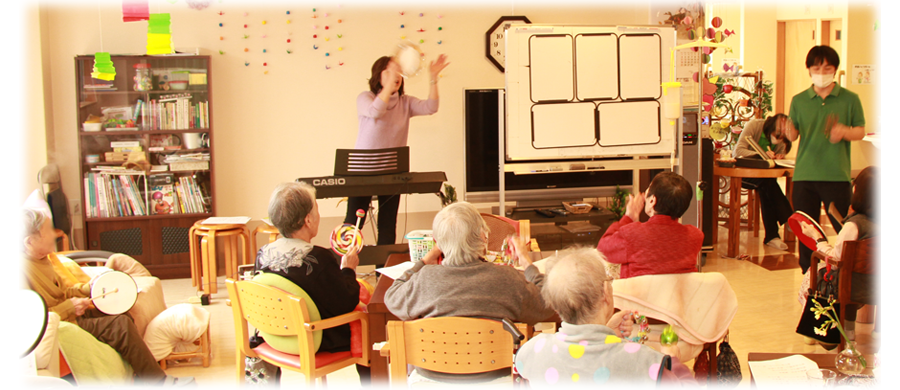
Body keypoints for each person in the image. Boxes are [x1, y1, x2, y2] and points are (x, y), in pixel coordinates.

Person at [384, 201, 555, 383]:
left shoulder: (425, 278)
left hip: (430, 382)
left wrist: (424, 261)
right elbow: (549, 301)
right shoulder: (507, 278)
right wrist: (526, 262)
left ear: (437, 243)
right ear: (483, 237)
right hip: (495, 381)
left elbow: (392, 296)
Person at [21, 208, 192, 386]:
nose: (55, 234)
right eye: (48, 231)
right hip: (62, 324)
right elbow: (34, 320)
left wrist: (89, 288)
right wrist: (70, 307)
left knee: (120, 311)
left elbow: (63, 293)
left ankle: (140, 375)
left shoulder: (44, 259)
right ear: (30, 241)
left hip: (70, 314)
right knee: (121, 325)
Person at [514, 247, 697, 386]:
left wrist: (606, 332)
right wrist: (674, 362)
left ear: (554, 304)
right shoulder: (644, 363)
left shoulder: (533, 351)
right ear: (605, 293)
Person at [255, 182, 370, 384]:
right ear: (308, 220)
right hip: (316, 337)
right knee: (370, 322)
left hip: (274, 334)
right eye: (316, 209)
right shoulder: (318, 258)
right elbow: (346, 302)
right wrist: (348, 269)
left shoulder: (262, 254)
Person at [343, 53, 450, 245]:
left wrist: (433, 78)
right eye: (389, 72)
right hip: (361, 172)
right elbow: (376, 111)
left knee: (387, 224)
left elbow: (430, 107)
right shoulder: (365, 97)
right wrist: (388, 88)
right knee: (353, 222)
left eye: (398, 72)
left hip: (392, 172)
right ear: (378, 76)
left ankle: (383, 265)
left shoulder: (405, 102)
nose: (396, 76)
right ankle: (346, 261)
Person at [784, 45, 866, 275]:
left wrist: (844, 132)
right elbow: (793, 135)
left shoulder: (850, 99)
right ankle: (808, 275)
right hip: (804, 176)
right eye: (816, 68)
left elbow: (860, 131)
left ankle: (843, 274)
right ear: (809, 70)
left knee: (844, 228)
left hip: (836, 175)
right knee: (806, 231)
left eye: (827, 68)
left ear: (835, 70)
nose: (821, 73)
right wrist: (788, 130)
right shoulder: (799, 100)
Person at [798, 166, 877, 342]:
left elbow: (836, 259)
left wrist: (818, 238)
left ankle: (815, 329)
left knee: (814, 271)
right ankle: (862, 329)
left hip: (853, 288)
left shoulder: (854, 225)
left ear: (857, 191)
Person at [596, 171, 702, 278]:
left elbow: (603, 250)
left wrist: (628, 217)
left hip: (638, 290)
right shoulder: (695, 236)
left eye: (649, 188)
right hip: (679, 289)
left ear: (652, 201)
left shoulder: (632, 234)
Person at [733, 114, 794, 250]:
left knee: (767, 185)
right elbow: (738, 152)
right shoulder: (754, 125)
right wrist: (761, 155)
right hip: (743, 175)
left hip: (765, 178)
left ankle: (773, 236)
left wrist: (779, 157)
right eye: (778, 134)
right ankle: (787, 219)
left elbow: (777, 159)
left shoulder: (782, 139)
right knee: (768, 185)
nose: (779, 138)